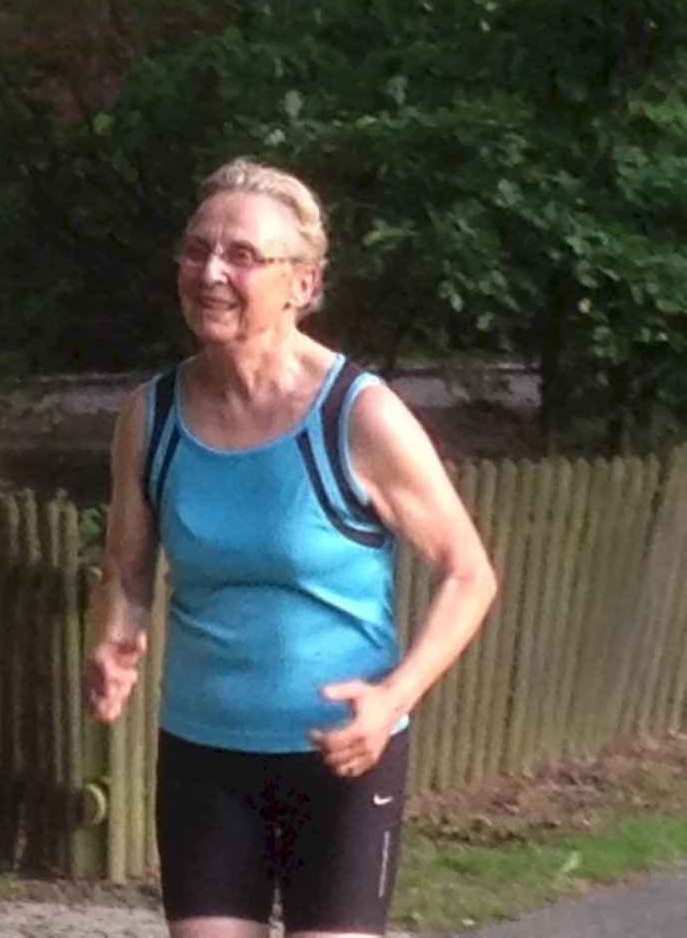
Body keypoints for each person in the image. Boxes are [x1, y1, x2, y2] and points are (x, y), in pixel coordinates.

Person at [83, 158, 498, 938]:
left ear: (301, 285)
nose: (210, 272)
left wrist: (393, 699)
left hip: (340, 758)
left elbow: (468, 573)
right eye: (197, 249)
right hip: (205, 753)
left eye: (241, 256)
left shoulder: (357, 414)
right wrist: (114, 637)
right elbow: (127, 571)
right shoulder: (152, 415)